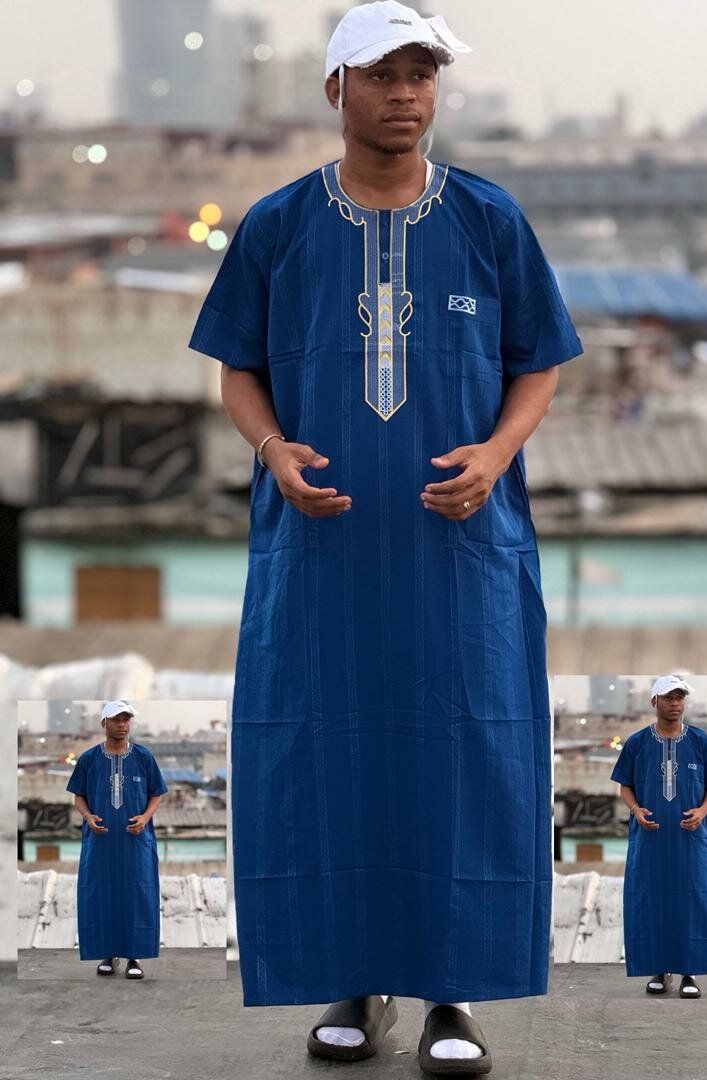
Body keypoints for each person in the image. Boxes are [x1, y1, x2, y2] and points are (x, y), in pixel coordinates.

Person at [188, 2, 583, 1073]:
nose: (406, 92)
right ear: (337, 91)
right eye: (382, 74)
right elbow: (239, 367)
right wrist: (272, 449)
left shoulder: (490, 219)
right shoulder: (277, 223)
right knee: (327, 752)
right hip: (321, 557)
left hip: (461, 557)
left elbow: (537, 361)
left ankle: (455, 997)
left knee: (467, 750)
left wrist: (497, 453)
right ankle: (352, 988)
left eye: (421, 74)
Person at [610, 674, 707, 999]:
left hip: (691, 841)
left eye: (680, 698)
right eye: (668, 697)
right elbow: (625, 786)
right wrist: (635, 810)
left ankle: (689, 973)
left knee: (692, 899)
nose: (675, 703)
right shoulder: (636, 742)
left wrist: (702, 811)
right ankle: (659, 970)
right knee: (652, 899)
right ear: (655, 702)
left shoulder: (700, 740)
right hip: (650, 841)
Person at [66, 700, 168, 980]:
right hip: (100, 842)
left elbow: (157, 793)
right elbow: (78, 795)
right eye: (116, 719)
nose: (122, 724)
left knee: (137, 893)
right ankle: (107, 955)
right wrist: (88, 817)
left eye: (126, 719)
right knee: (101, 894)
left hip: (136, 843)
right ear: (104, 723)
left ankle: (134, 957)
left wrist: (145, 817)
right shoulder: (88, 759)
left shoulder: (144, 757)